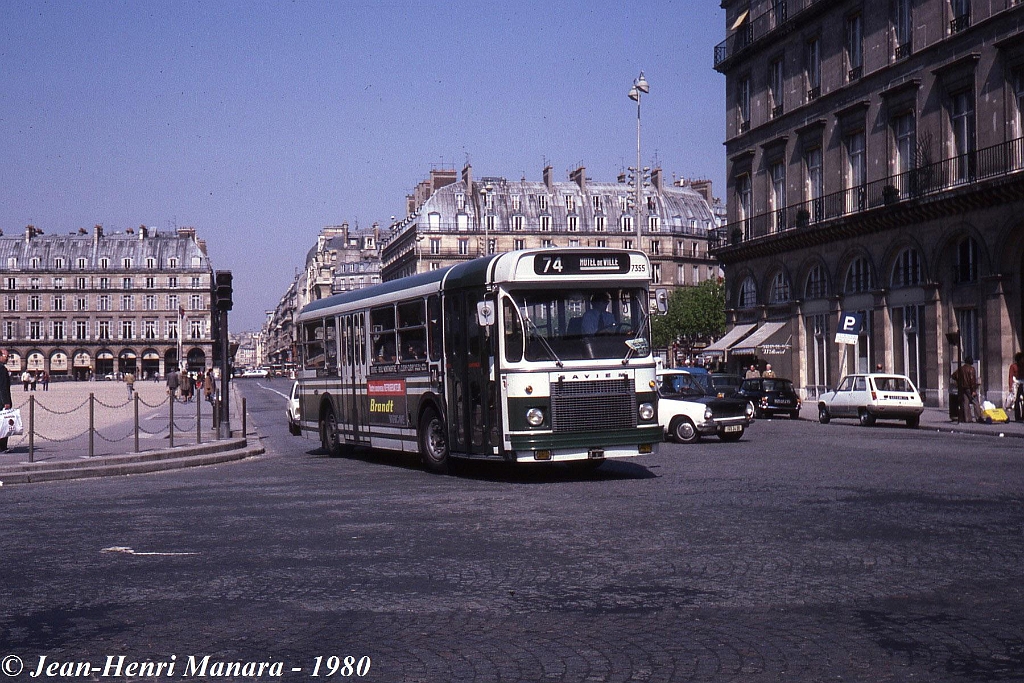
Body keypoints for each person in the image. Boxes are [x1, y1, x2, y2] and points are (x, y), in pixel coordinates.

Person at [952, 355, 984, 423]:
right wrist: (973, 391)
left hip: (963, 388)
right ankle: (978, 417)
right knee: (975, 402)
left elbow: (953, 375)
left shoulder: (961, 369)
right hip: (970, 388)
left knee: (965, 403)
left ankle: (967, 418)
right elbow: (972, 381)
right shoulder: (971, 369)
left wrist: (959, 381)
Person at [0, 349, 12, 453]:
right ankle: (2, 447)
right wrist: (6, 402)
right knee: (4, 424)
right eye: (6, 356)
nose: (7, 358)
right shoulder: (2, 369)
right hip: (1, 403)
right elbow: (3, 387)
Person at [1009, 352, 1024, 422]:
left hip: (1022, 383)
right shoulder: (1013, 366)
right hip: (1016, 384)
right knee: (1017, 401)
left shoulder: (1023, 366)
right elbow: (1011, 376)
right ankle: (1017, 417)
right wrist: (1010, 386)